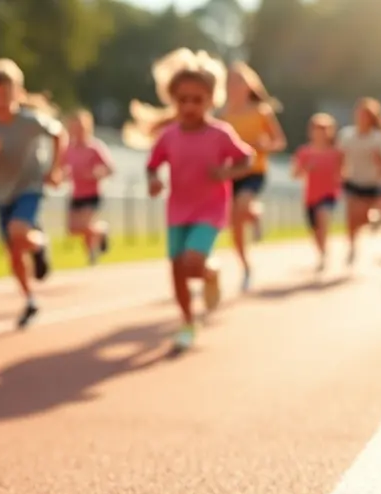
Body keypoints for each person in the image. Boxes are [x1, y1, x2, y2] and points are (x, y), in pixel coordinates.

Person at [138, 48, 255, 352]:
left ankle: (209, 271)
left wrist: (226, 171)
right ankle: (188, 322)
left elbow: (247, 159)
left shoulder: (220, 134)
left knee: (193, 261)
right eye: (182, 100)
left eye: (197, 100)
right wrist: (153, 181)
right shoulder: (169, 136)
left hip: (210, 208)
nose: (189, 106)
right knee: (178, 269)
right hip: (178, 209)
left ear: (211, 100)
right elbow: (152, 165)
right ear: (173, 100)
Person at [0, 58, 67, 329]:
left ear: (18, 94)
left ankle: (39, 246)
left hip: (30, 188)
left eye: (5, 94)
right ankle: (30, 299)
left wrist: (54, 169)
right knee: (13, 254)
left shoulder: (31, 121)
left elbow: (60, 134)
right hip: (2, 195)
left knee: (18, 231)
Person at [219, 62, 286, 290]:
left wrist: (264, 145)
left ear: (249, 85)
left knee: (242, 204)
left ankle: (253, 213)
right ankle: (246, 266)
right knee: (234, 224)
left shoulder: (261, 112)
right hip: (231, 173)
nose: (234, 86)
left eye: (239, 81)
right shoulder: (222, 114)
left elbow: (280, 142)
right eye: (230, 81)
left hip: (254, 172)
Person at [336, 97, 381, 267]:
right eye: (359, 114)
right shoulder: (346, 135)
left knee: (361, 215)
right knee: (351, 217)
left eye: (365, 115)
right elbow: (340, 157)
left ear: (371, 118)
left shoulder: (379, 138)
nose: (361, 118)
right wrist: (340, 174)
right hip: (352, 180)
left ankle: (374, 220)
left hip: (371, 183)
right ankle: (352, 246)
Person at [292, 113, 343, 273]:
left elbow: (343, 172)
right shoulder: (304, 152)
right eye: (317, 129)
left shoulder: (336, 153)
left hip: (329, 194)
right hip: (310, 196)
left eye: (324, 129)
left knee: (323, 217)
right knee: (315, 229)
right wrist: (307, 168)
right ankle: (322, 253)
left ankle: (324, 251)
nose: (320, 132)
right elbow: (296, 174)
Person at [61, 110, 113, 266]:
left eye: (80, 127)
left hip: (92, 193)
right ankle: (101, 232)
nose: (76, 131)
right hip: (76, 193)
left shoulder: (94, 147)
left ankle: (92, 254)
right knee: (73, 229)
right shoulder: (68, 149)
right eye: (73, 127)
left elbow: (109, 169)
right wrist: (63, 176)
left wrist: (94, 174)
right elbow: (61, 169)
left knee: (84, 225)